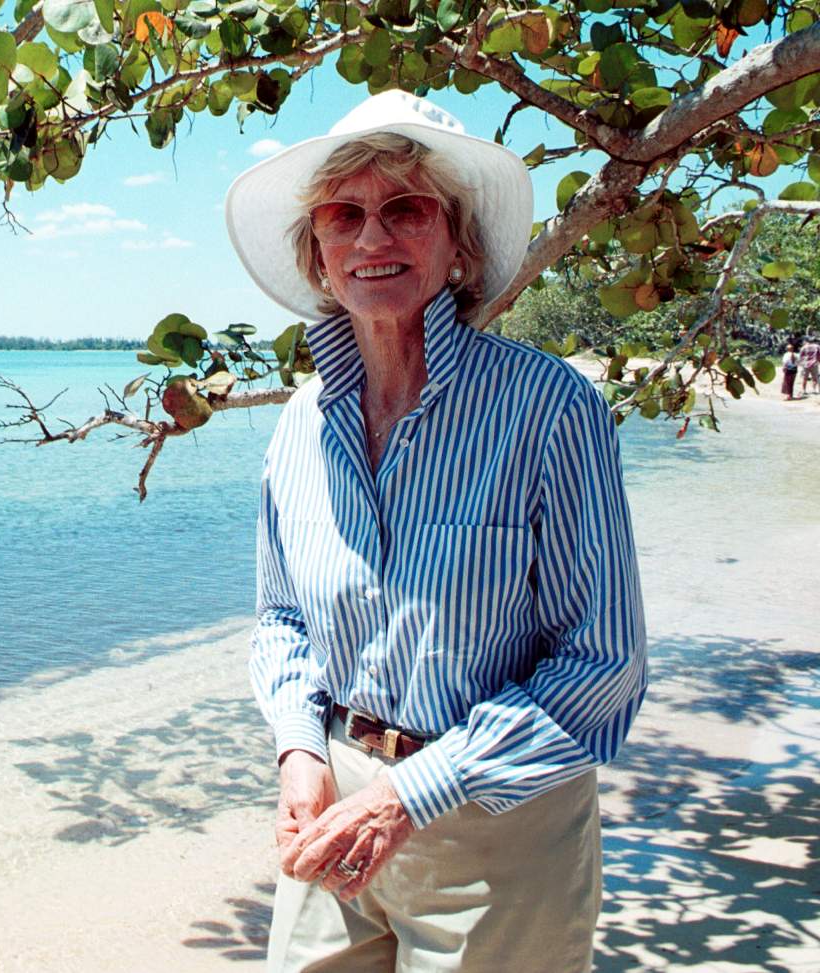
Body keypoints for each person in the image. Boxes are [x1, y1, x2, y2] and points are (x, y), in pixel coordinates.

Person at [226, 91, 647, 973]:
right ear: (319, 253)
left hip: (497, 832)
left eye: (405, 208)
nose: (371, 238)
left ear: (458, 245)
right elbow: (281, 623)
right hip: (335, 808)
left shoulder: (549, 407)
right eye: (344, 214)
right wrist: (299, 751)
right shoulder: (299, 424)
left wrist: (407, 797)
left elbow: (603, 666)